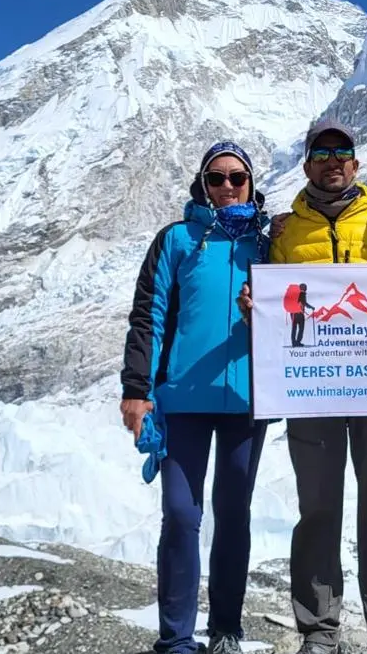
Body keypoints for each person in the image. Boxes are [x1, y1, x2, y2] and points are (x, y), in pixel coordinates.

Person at [238, 119, 367, 654]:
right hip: (309, 389)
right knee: (317, 508)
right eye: (322, 152)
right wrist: (257, 308)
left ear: (356, 164)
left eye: (343, 152)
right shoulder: (285, 231)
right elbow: (272, 301)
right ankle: (319, 631)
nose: (333, 160)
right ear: (307, 164)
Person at [120, 141, 272, 654]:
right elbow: (150, 316)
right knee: (182, 516)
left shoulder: (270, 244)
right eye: (216, 178)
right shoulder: (177, 240)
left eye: (237, 178)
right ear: (201, 185)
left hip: (249, 402)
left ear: (251, 184)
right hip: (182, 402)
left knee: (234, 513)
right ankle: (176, 640)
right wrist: (136, 390)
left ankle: (226, 630)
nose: (228, 187)